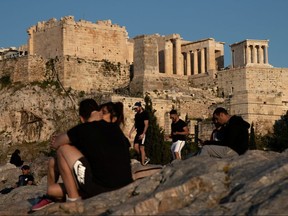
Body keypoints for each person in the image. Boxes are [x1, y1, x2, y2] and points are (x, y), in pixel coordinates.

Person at [31, 99, 132, 211]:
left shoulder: (82, 129)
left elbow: (56, 144)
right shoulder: (115, 128)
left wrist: (62, 137)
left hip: (102, 189)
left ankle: (74, 201)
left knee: (62, 150)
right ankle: (55, 197)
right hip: (126, 185)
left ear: (81, 118)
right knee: (52, 187)